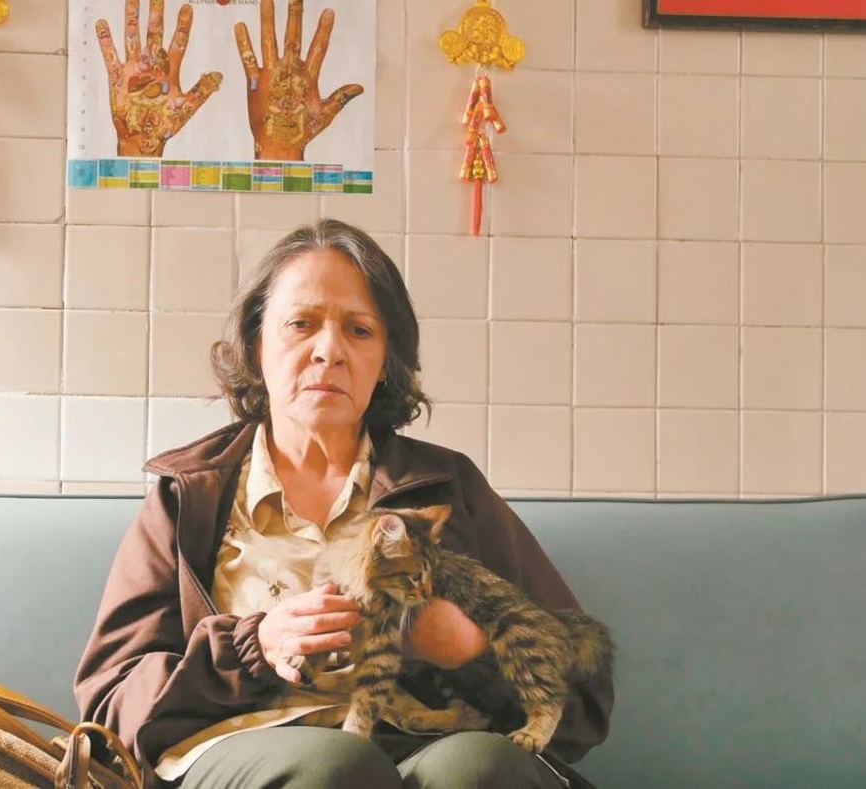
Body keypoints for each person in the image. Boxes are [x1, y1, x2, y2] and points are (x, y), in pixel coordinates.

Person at [73, 219, 614, 788]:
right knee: (336, 767)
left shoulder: (447, 487)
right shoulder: (190, 492)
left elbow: (585, 699)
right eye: (301, 324)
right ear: (256, 345)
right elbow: (110, 700)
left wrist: (473, 654)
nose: (329, 351)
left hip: (427, 745)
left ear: (385, 361)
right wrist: (254, 646)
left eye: (358, 330)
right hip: (245, 752)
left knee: (480, 767)